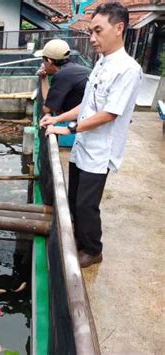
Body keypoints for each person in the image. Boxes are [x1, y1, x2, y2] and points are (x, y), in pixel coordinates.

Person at [40, 2, 143, 268]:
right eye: (91, 32)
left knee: (87, 205)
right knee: (75, 197)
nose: (93, 38)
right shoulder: (100, 64)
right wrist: (58, 118)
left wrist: (68, 129)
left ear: (119, 28)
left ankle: (92, 249)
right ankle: (76, 237)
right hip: (84, 144)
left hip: (101, 150)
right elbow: (86, 105)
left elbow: (109, 113)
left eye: (98, 31)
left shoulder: (128, 69)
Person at [35, 39, 91, 114]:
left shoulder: (62, 75)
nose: (43, 64)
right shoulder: (74, 69)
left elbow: (47, 109)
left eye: (44, 60)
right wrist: (44, 77)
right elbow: (50, 102)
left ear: (49, 60)